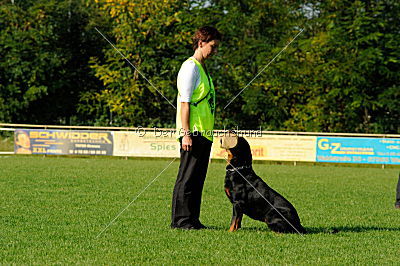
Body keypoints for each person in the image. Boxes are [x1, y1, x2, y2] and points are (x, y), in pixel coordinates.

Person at [171, 26, 221, 229]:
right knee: (187, 178)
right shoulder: (190, 67)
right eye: (213, 46)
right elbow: (185, 102)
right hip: (194, 132)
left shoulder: (203, 68)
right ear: (201, 43)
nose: (215, 51)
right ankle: (181, 221)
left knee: (198, 179)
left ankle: (192, 219)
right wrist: (186, 134)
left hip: (204, 133)